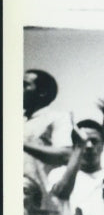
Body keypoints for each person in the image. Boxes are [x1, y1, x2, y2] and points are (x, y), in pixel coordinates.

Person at [23, 68, 71, 205]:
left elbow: (65, 155)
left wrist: (19, 143)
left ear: (42, 92)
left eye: (25, 85)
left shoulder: (57, 118)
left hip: (42, 202)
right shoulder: (15, 121)